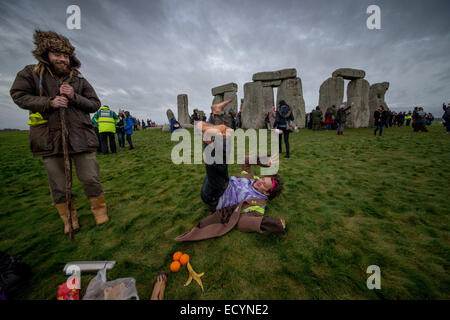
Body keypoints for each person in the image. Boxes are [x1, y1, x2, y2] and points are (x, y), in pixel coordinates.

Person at [10, 30, 109, 234]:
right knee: (58, 184)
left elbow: (94, 104)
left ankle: (99, 211)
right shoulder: (31, 73)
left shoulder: (78, 79)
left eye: (65, 55)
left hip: (80, 135)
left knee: (90, 177)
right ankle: (69, 218)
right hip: (49, 137)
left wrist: (74, 97)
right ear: (46, 54)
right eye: (57, 54)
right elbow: (18, 94)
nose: (62, 59)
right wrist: (48, 102)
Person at [174, 100, 285, 242]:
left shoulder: (257, 204)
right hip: (216, 182)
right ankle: (215, 115)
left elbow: (244, 223)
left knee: (221, 169)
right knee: (226, 141)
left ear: (267, 193)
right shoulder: (252, 178)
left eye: (264, 184)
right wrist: (263, 161)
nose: (260, 181)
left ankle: (209, 140)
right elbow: (245, 161)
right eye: (263, 179)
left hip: (216, 196)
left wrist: (275, 225)